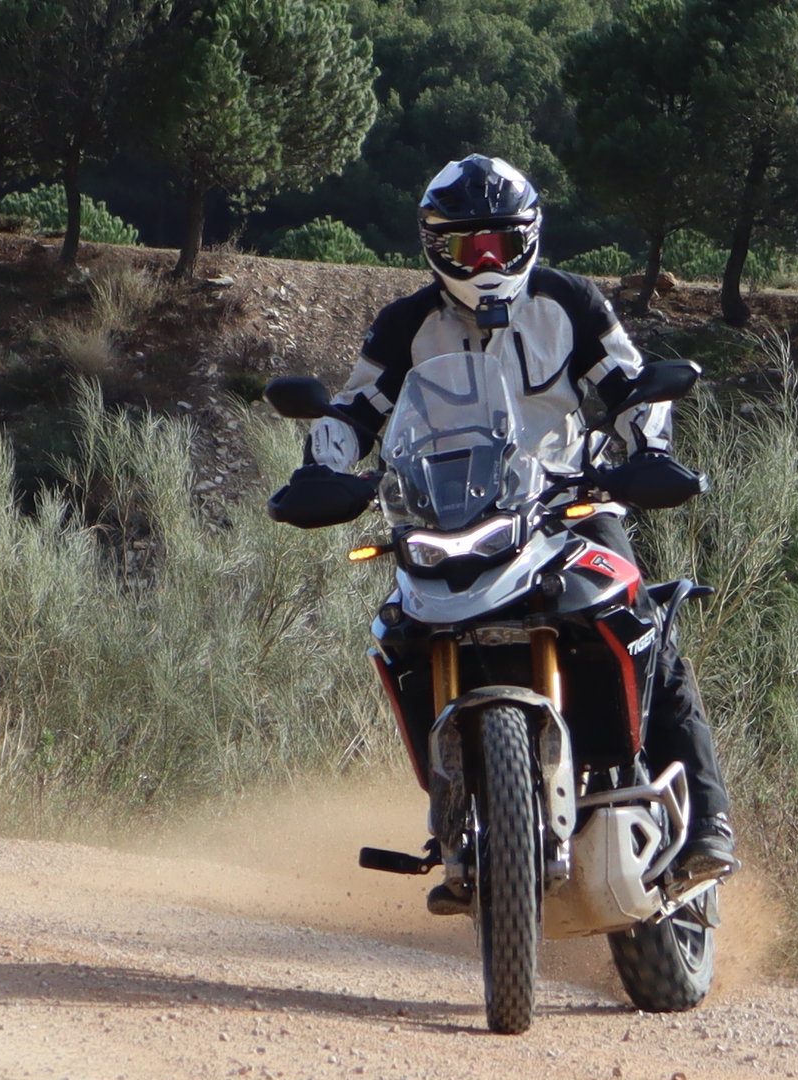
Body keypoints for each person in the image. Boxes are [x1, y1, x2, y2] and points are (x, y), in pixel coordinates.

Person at [298, 153, 738, 879]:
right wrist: (322, 463)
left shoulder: (568, 303)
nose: (488, 259)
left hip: (567, 503)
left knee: (645, 622)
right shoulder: (406, 325)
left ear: (529, 236)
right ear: (436, 248)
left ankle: (709, 819)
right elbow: (356, 409)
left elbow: (631, 384)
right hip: (448, 514)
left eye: (501, 241)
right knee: (400, 628)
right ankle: (458, 805)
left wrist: (646, 448)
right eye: (469, 246)